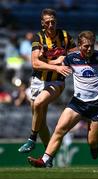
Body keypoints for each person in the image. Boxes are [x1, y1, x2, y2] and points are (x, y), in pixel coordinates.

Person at [27, 30, 98, 168]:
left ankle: (94, 146)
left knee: (92, 141)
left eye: (91, 45)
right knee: (59, 129)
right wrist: (44, 59)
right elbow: (54, 66)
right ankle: (45, 160)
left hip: (97, 103)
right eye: (86, 46)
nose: (89, 49)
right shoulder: (71, 58)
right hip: (77, 102)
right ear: (79, 45)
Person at [18, 8, 76, 153]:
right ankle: (48, 155)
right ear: (43, 23)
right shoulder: (38, 38)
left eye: (53, 22)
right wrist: (56, 64)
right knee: (41, 121)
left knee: (38, 103)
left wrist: (66, 57)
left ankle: (31, 139)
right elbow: (35, 63)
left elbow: (75, 54)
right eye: (48, 22)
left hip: (56, 82)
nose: (51, 25)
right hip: (38, 81)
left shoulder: (65, 36)